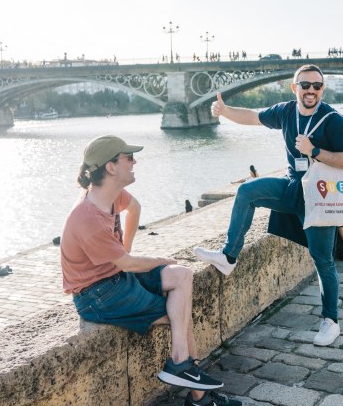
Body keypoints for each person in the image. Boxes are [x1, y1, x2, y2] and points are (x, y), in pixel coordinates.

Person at [60, 135, 239, 406]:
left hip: (116, 277)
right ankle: (198, 397)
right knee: (179, 313)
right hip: (97, 295)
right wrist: (157, 259)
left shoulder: (110, 194)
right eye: (128, 158)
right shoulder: (87, 217)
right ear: (111, 167)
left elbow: (134, 208)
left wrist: (125, 247)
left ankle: (180, 363)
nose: (135, 161)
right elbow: (128, 264)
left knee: (183, 275)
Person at [194, 64, 343, 346]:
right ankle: (228, 257)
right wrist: (225, 112)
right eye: (305, 85)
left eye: (317, 86)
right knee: (247, 191)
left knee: (323, 261)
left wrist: (315, 151)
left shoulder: (333, 119)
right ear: (294, 88)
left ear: (322, 89)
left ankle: (330, 321)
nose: (311, 90)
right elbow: (253, 117)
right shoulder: (285, 111)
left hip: (319, 195)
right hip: (293, 187)